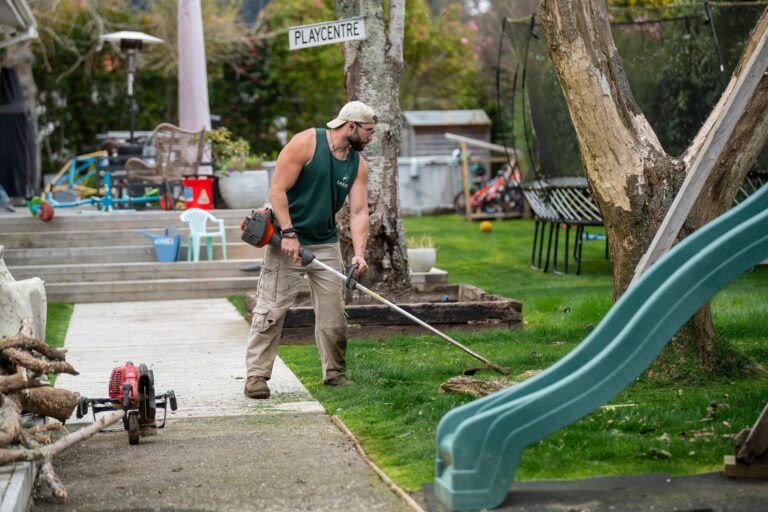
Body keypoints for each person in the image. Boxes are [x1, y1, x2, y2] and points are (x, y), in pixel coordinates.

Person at [244, 101, 378, 399]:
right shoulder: (306, 143)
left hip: (325, 242)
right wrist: (288, 233)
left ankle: (335, 374)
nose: (371, 137)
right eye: (368, 131)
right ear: (351, 125)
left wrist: (359, 253)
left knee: (334, 315)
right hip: (285, 241)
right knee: (270, 310)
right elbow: (276, 190)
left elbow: (359, 212)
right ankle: (256, 376)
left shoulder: (357, 164)